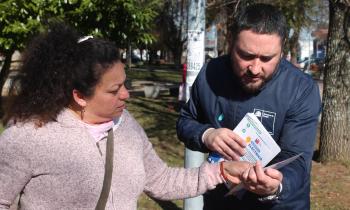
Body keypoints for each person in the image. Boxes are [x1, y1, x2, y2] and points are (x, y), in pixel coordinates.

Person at [0, 23, 251, 209]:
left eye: (125, 83)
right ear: (79, 96)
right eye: (114, 90)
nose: (126, 95)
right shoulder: (27, 137)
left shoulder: (127, 125)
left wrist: (220, 171)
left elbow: (161, 181)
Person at [177, 3, 321, 210]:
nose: (254, 68)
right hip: (221, 201)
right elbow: (184, 122)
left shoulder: (301, 89)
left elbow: (297, 160)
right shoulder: (210, 75)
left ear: (281, 51)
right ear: (230, 42)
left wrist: (276, 185)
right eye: (245, 55)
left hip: (280, 205)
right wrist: (206, 134)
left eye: (266, 58)